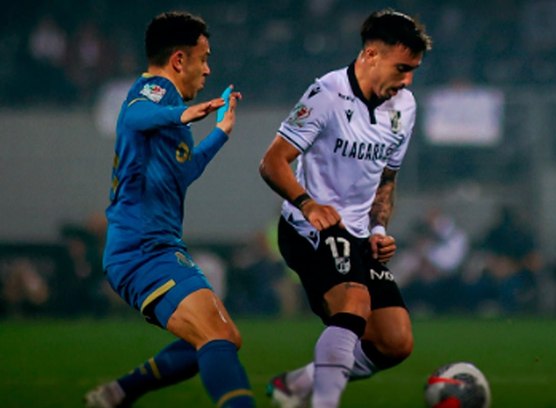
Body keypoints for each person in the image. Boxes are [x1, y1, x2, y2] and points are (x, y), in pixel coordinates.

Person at [259, 9, 431, 407]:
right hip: (309, 230)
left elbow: (386, 179)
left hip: (356, 235)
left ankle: (296, 386)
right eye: (402, 68)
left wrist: (378, 232)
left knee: (395, 342)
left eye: (414, 71)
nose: (407, 80)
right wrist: (307, 203)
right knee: (354, 303)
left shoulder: (404, 107)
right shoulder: (327, 93)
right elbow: (272, 162)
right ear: (371, 55)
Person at [84, 11, 254, 408]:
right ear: (180, 60)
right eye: (204, 57)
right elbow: (133, 116)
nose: (208, 69)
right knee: (216, 337)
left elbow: (184, 170)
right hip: (141, 250)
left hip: (157, 248)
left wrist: (220, 133)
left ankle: (120, 393)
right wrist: (182, 114)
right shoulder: (157, 92)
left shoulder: (170, 109)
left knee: (223, 339)